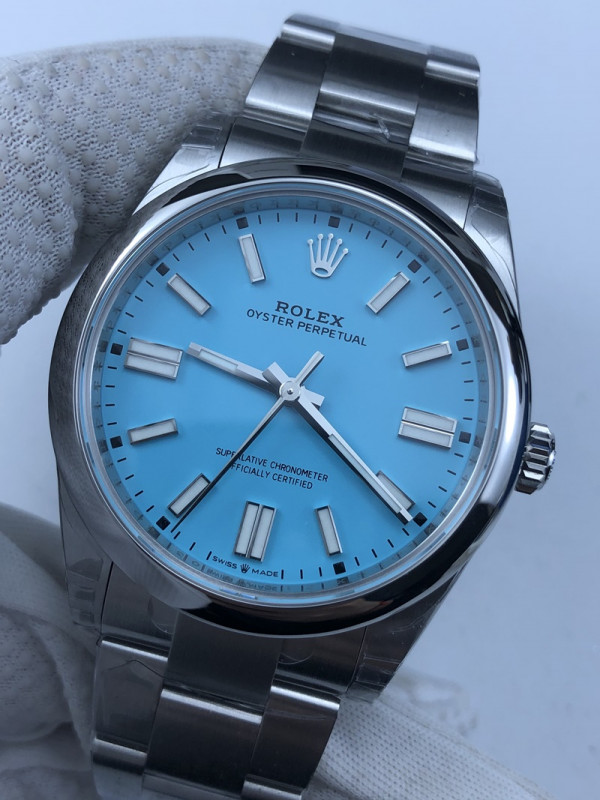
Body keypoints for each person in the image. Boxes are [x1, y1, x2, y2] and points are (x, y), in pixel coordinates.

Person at [0, 39, 554, 800]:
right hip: (142, 565)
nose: (290, 392)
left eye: (293, 390)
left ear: (521, 453)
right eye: (284, 386)